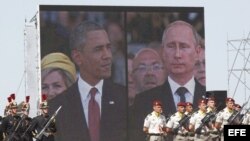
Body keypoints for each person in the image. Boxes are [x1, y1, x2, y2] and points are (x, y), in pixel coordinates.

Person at [48, 21, 127, 141]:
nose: (107, 56)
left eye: (108, 47)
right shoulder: (56, 107)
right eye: (98, 49)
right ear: (78, 57)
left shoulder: (125, 98)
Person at [129, 20, 205, 141]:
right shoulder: (143, 103)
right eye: (171, 46)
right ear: (163, 52)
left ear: (197, 52)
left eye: (184, 46)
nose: (177, 54)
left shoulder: (216, 101)